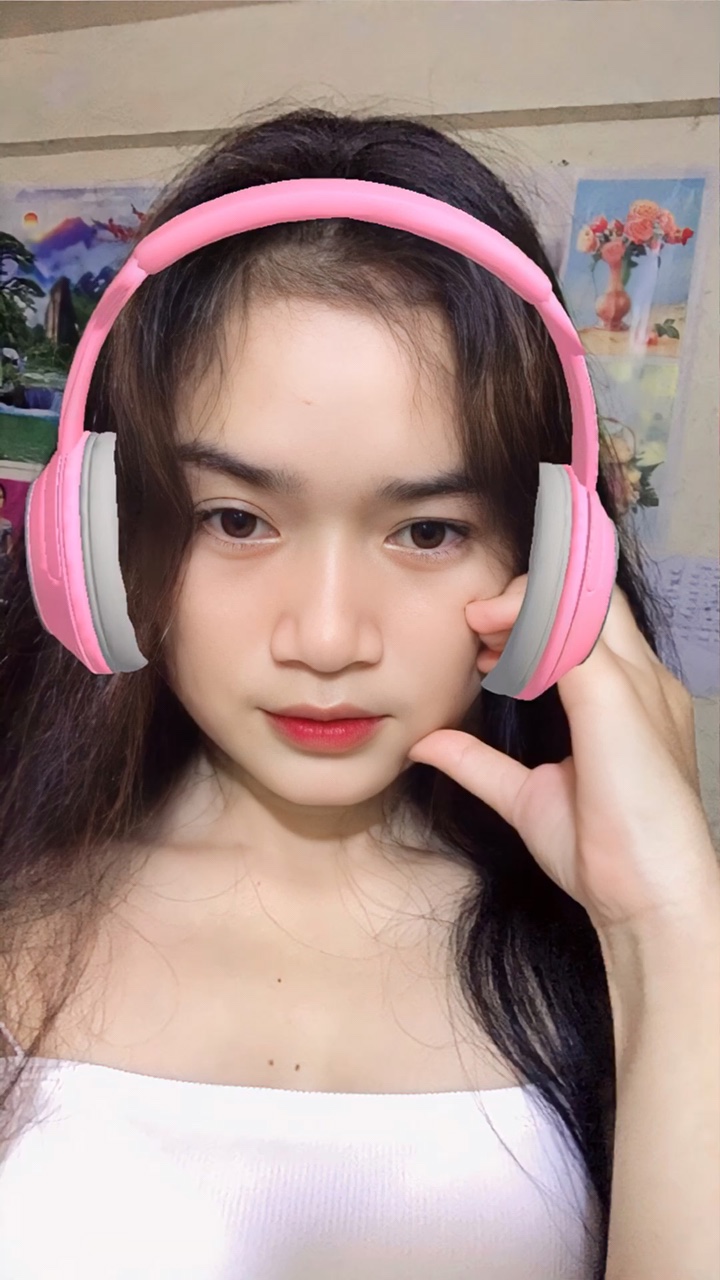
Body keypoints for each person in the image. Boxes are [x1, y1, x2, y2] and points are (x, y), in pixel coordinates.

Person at [0, 106, 718, 1280]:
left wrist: (670, 930)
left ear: (551, 562)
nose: (327, 638)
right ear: (102, 534)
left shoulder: (606, 953)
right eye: (237, 519)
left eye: (428, 530)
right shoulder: (18, 893)